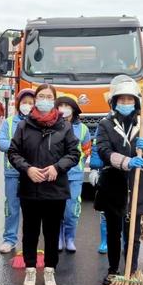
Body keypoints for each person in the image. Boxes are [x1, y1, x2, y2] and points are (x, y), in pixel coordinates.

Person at [8, 84, 80, 285]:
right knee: (30, 231)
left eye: (49, 97)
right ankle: (30, 269)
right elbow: (13, 152)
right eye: (41, 96)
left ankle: (49, 269)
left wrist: (58, 167)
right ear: (36, 99)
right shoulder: (24, 126)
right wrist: (27, 169)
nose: (45, 100)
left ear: (54, 101)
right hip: (30, 189)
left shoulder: (64, 127)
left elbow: (74, 154)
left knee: (51, 231)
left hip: (55, 189)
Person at [94, 75, 143, 285]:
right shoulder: (105, 124)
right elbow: (103, 150)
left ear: (136, 102)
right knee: (114, 231)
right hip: (113, 185)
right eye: (121, 100)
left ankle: (130, 270)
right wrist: (126, 161)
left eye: (130, 100)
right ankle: (113, 269)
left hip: (136, 186)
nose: (125, 103)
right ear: (114, 102)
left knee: (133, 233)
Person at [0, 88, 35, 253]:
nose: (27, 105)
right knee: (12, 207)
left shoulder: (38, 122)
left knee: (31, 209)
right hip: (12, 172)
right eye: (24, 102)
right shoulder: (9, 122)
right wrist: (18, 147)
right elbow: (0, 142)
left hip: (33, 173)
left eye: (30, 103)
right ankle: (9, 239)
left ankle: (30, 241)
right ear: (18, 104)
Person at [56, 95, 91, 253]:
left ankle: (70, 237)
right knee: (56, 209)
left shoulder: (83, 129)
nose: (63, 108)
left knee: (71, 210)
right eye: (60, 105)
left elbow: (87, 150)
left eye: (67, 105)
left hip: (75, 176)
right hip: (56, 175)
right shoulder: (52, 126)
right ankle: (59, 236)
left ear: (74, 109)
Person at [89, 130, 108, 254]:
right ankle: (104, 241)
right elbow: (96, 147)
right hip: (107, 172)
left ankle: (124, 241)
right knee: (105, 210)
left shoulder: (137, 123)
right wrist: (95, 168)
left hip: (128, 171)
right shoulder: (105, 123)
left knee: (125, 211)